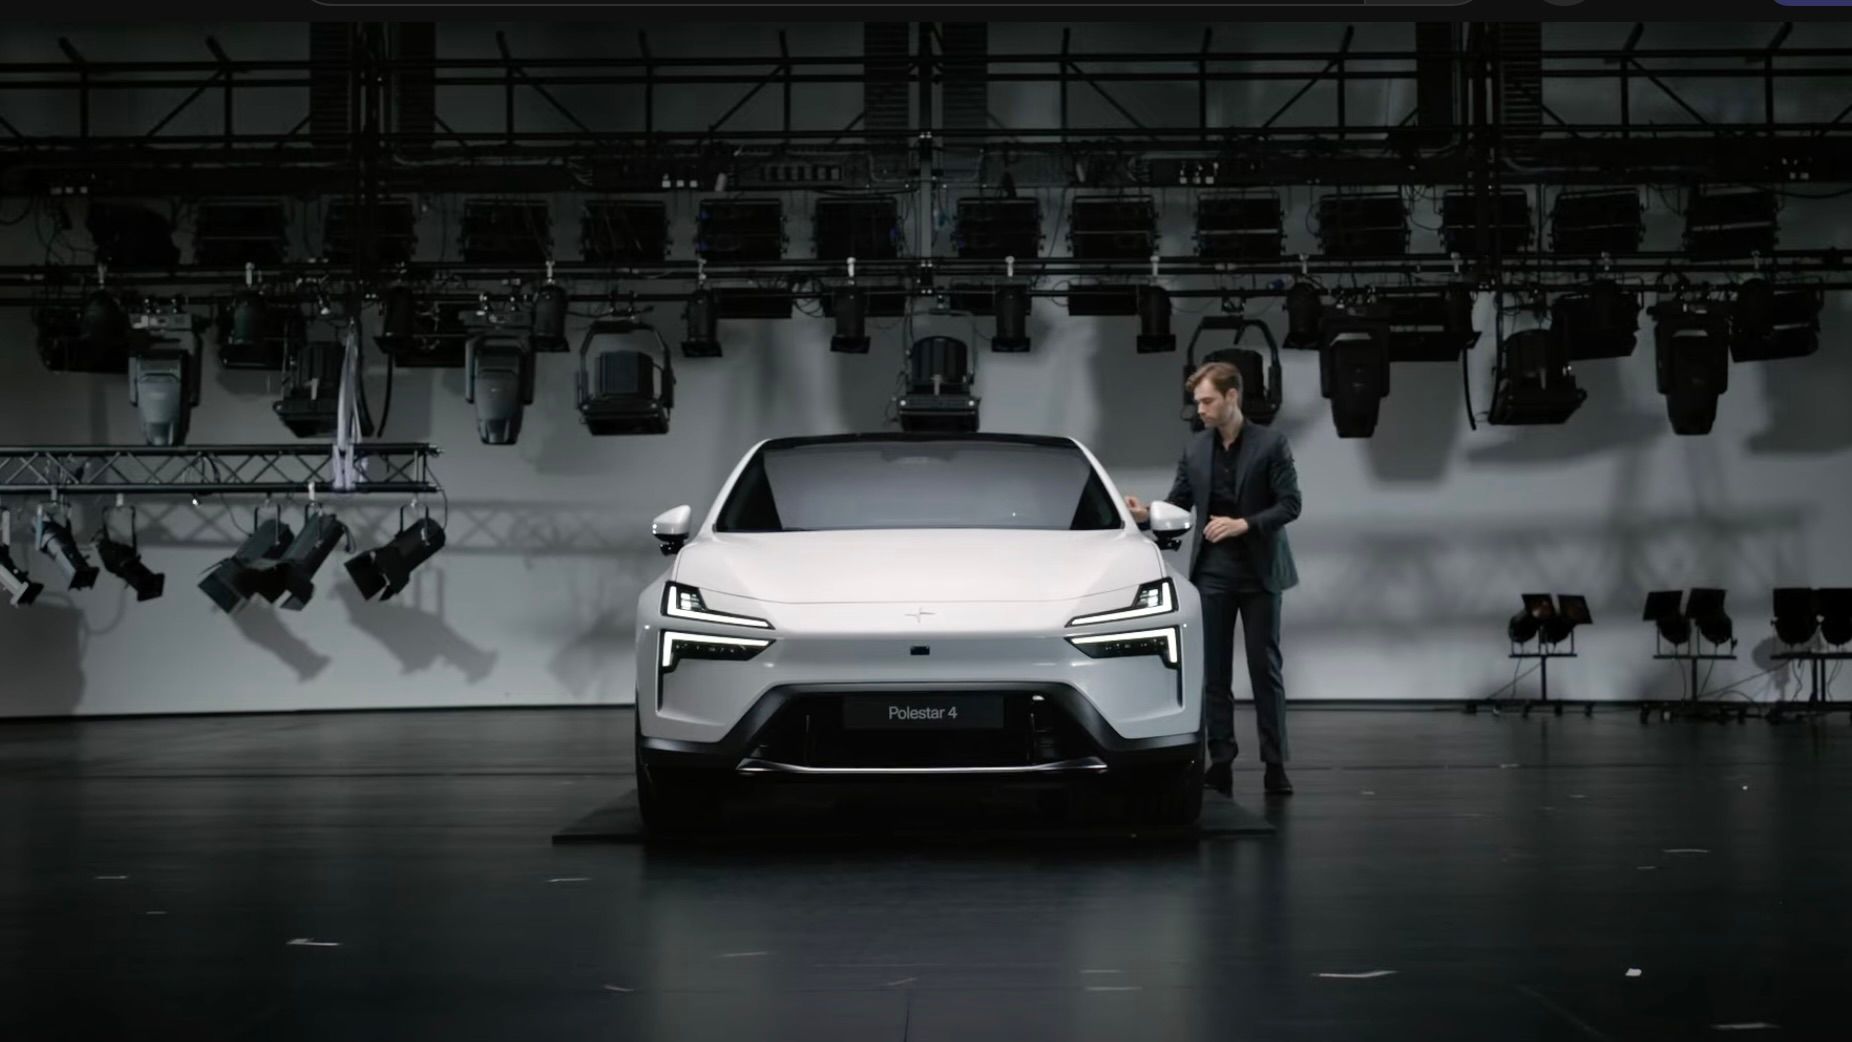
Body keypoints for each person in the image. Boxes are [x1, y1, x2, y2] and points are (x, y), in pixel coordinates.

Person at [1125, 361, 1301, 797]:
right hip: (1213, 575)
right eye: (1198, 402)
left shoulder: (1271, 444)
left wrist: (1244, 524)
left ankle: (1275, 765)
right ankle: (1220, 761)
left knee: (1266, 671)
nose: (1199, 409)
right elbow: (1178, 505)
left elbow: (1290, 505)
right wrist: (1147, 514)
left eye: (1206, 401)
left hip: (1260, 573)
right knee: (1214, 674)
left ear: (1231, 397)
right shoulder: (1195, 450)